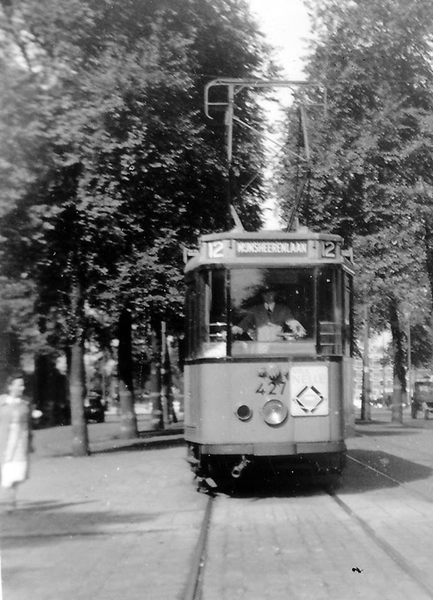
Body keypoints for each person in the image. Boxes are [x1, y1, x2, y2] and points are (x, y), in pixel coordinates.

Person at [0, 373, 33, 510]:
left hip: (20, 441)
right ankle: (8, 500)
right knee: (5, 470)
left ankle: (10, 500)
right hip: (3, 441)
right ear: (10, 386)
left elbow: (28, 425)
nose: (22, 388)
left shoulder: (25, 404)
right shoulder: (1, 402)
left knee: (16, 471)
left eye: (23, 385)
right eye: (19, 385)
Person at [232, 287, 306, 342]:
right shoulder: (256, 310)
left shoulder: (283, 309)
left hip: (278, 346)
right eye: (265, 294)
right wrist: (233, 330)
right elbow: (244, 324)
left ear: (274, 294)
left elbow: (291, 321)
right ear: (262, 295)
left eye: (270, 293)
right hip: (260, 347)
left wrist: (298, 329)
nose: (268, 295)